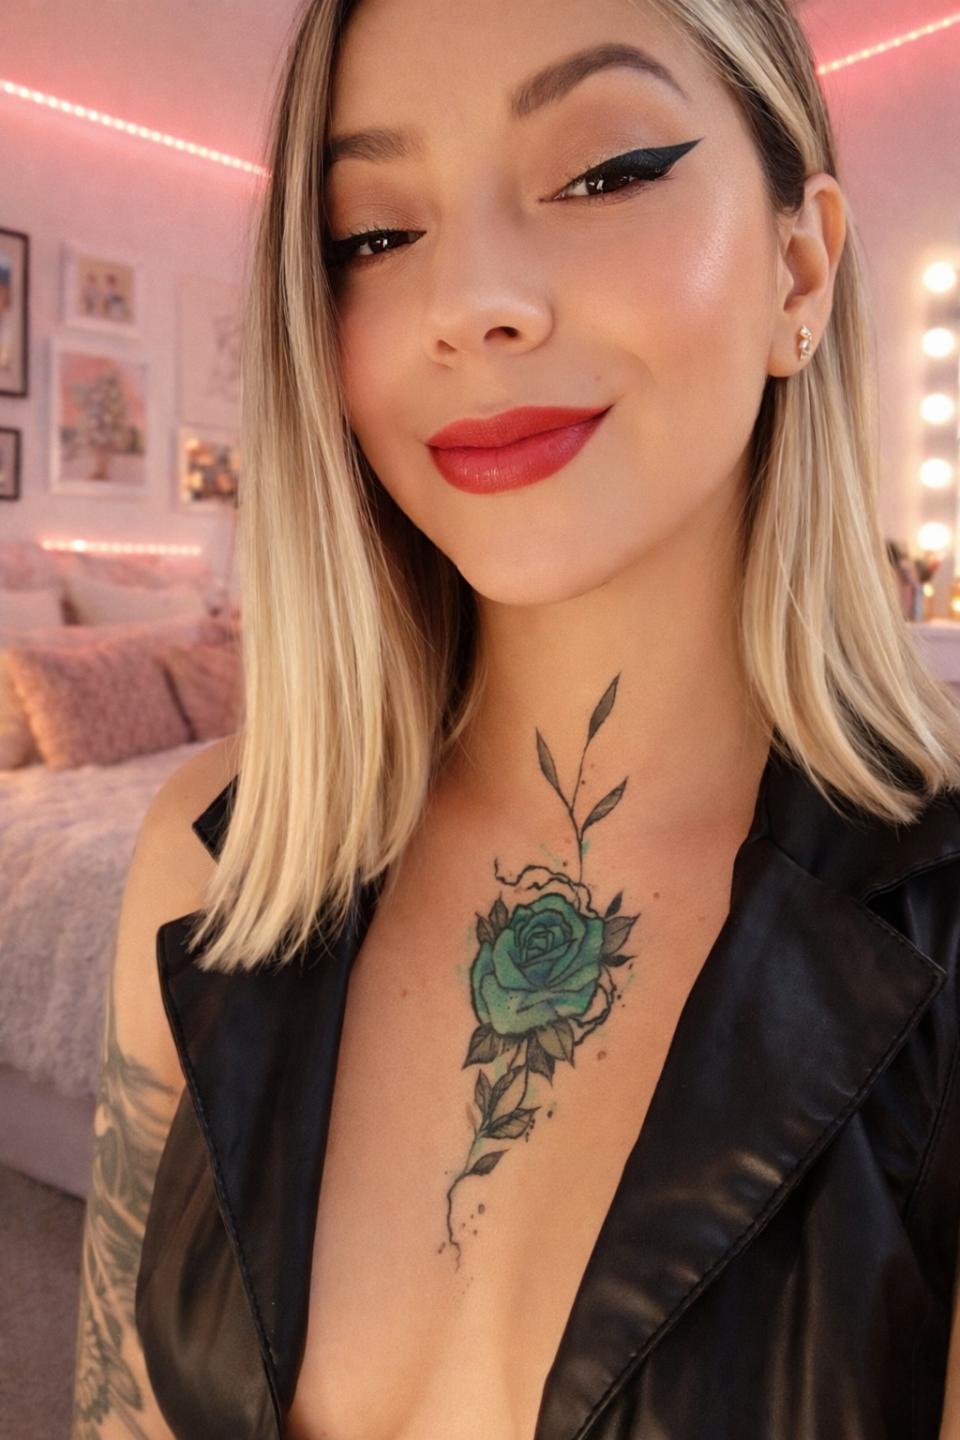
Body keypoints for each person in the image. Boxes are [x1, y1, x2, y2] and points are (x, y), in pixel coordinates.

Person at [70, 0, 960, 1436]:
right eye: (373, 235)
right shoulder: (214, 861)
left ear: (799, 267)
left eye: (605, 174)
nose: (469, 300)